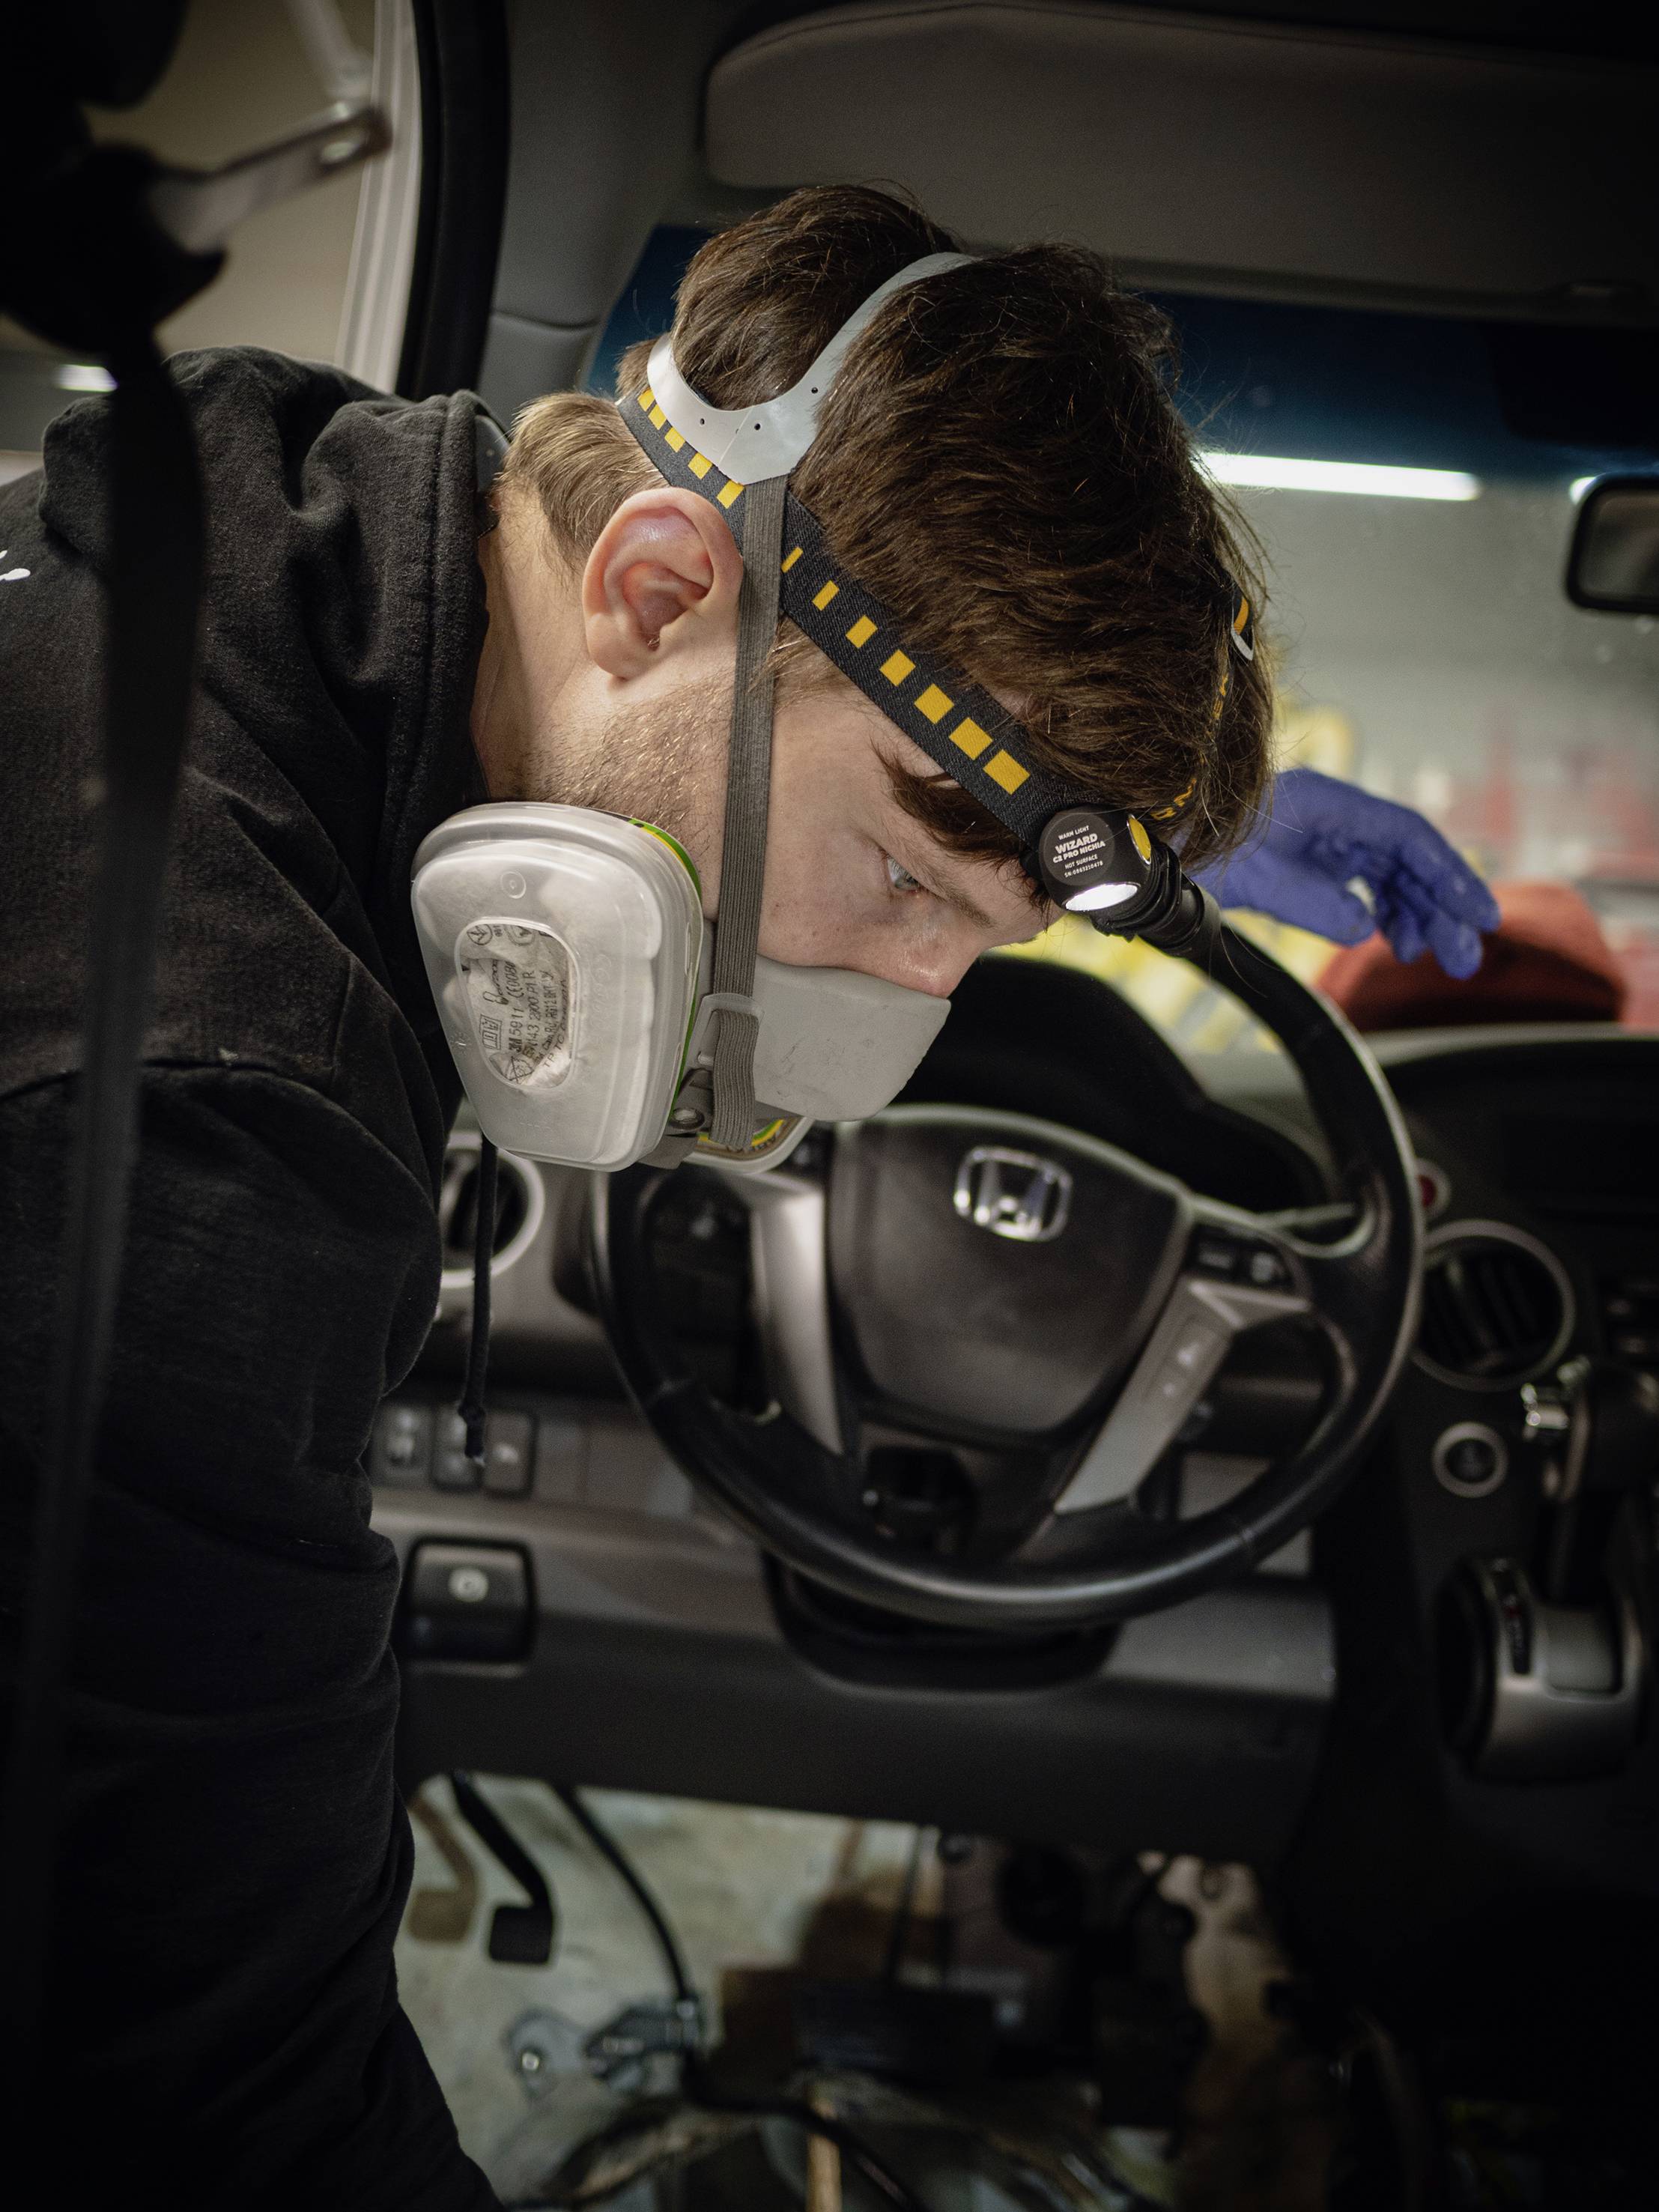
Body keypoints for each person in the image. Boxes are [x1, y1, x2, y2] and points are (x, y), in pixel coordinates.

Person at [0, 186, 1492, 2205]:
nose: (898, 1021)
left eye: (984, 953)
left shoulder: (267, 557)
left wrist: (1043, 840)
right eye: (905, 888)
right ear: (650, 578)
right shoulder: (207, 1111)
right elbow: (220, 2093)